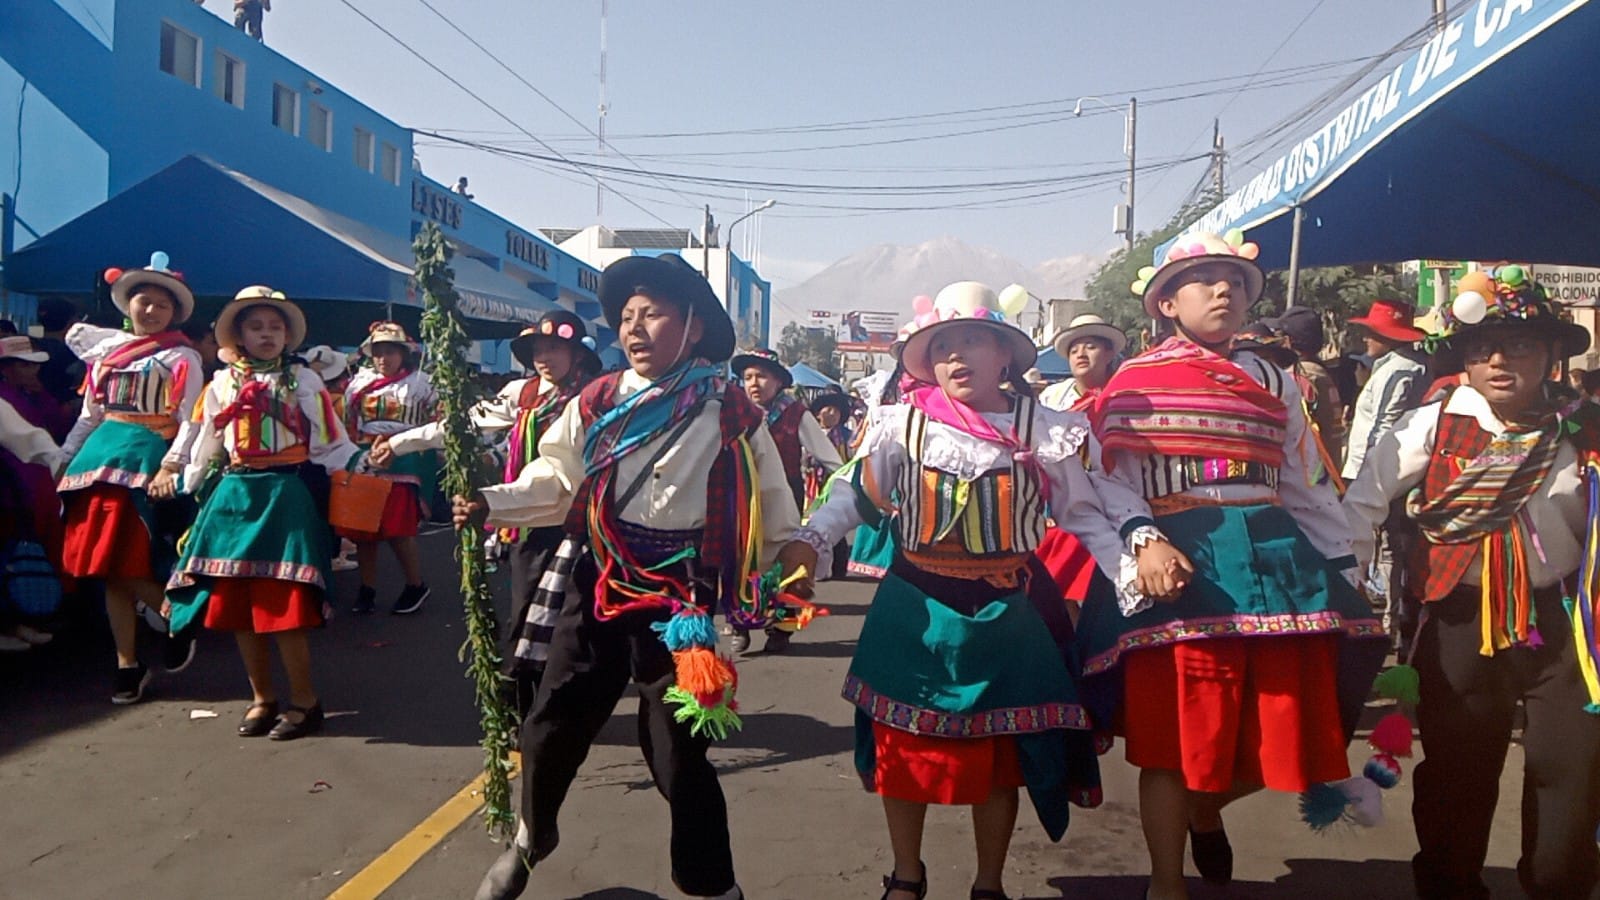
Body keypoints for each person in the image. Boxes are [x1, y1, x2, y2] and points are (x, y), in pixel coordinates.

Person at [458, 254, 805, 900]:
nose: (635, 328)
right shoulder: (597, 400)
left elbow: (769, 505)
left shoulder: (728, 409)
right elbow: (557, 478)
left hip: (682, 602)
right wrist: (490, 502)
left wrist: (789, 574)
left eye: (652, 314)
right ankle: (533, 838)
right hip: (600, 579)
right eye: (625, 317)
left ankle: (712, 885)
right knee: (550, 718)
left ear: (693, 328)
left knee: (678, 752)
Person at [1076, 233, 1385, 900]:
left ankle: (1205, 808)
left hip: (1274, 561)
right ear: (1166, 301)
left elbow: (1304, 481)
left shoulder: (1274, 379)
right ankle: (1166, 884)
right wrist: (1143, 541)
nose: (1225, 291)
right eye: (1207, 280)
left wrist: (1343, 565)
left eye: (1237, 283)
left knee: (1289, 722)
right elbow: (1113, 479)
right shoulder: (1134, 381)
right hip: (1180, 563)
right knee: (1166, 740)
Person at [783, 281, 1115, 900]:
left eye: (973, 342)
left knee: (998, 762)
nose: (958, 358)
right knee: (903, 752)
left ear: (1006, 357)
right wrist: (812, 539)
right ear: (928, 363)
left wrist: (1130, 566)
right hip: (914, 607)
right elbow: (857, 495)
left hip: (1007, 612)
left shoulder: (1045, 430)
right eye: (944, 347)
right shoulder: (900, 426)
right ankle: (907, 875)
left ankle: (989, 883)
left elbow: (1085, 514)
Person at [1343, 271, 1600, 900]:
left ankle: (1557, 883)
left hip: (1562, 621)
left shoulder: (1583, 427)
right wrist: (1349, 587)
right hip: (1458, 617)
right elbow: (1363, 502)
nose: (1499, 361)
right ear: (1463, 357)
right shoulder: (1432, 423)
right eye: (1483, 347)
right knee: (1459, 770)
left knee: (1571, 766)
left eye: (1519, 346)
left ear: (1551, 356)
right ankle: (1450, 886)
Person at [373, 309, 601, 712]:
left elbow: (562, 474)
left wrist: (492, 500)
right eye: (537, 349)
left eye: (554, 348)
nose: (543, 357)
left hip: (580, 527)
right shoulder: (521, 394)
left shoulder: (591, 401)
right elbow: (462, 424)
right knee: (527, 621)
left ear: (577, 355)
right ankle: (527, 711)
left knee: (572, 627)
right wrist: (401, 442)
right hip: (528, 524)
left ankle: (558, 710)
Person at [165, 287, 362, 740]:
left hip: (283, 494)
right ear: (239, 334)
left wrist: (361, 463)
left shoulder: (303, 380)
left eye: (275, 327)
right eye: (256, 327)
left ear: (288, 335)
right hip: (234, 494)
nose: (267, 334)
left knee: (283, 605)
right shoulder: (220, 384)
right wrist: (184, 481)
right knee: (236, 606)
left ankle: (305, 700)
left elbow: (330, 440)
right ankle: (261, 698)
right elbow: (208, 441)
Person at [57, 254, 205, 703]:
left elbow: (191, 419)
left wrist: (172, 464)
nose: (152, 310)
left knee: (122, 558)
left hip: (142, 462)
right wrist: (64, 457)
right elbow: (90, 415)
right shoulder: (106, 357)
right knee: (107, 570)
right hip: (97, 461)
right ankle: (128, 661)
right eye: (145, 301)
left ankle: (176, 616)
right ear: (129, 305)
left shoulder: (182, 358)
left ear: (174, 313)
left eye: (163, 304)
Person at [727, 346, 842, 652]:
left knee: (786, 565)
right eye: (747, 377)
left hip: (784, 497)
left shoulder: (795, 413)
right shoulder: (732, 410)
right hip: (739, 497)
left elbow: (828, 457)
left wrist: (843, 491)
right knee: (739, 563)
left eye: (761, 376)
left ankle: (782, 629)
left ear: (778, 381)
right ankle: (740, 624)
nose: (753, 383)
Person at [1344, 299, 1431, 647]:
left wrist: (1367, 474)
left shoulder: (1400, 369)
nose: (1365, 339)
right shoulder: (1394, 366)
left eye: (1370, 332)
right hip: (1382, 469)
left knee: (1388, 545)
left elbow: (1383, 425)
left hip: (1385, 470)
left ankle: (1386, 622)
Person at [340, 322, 436, 615]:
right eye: (378, 352)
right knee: (364, 528)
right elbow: (349, 421)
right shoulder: (359, 382)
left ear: (403, 353)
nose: (384, 358)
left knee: (397, 527)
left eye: (390, 351)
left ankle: (415, 584)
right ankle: (367, 589)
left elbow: (438, 420)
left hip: (405, 456)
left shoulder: (423, 383)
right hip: (365, 455)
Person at [0, 337, 65, 650]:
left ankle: (14, 622)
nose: (32, 371)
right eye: (25, 364)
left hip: (20, 491)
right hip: (18, 488)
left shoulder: (26, 397)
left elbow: (38, 435)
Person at [1271, 306, 1347, 464]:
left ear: (1288, 341)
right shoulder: (1320, 372)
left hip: (1308, 474)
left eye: (1279, 337)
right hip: (1326, 470)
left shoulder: (1300, 377)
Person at [1039, 313, 1125, 412]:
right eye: (1074, 351)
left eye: (1090, 347)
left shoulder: (1121, 397)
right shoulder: (1051, 397)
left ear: (1109, 355)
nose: (1080, 355)